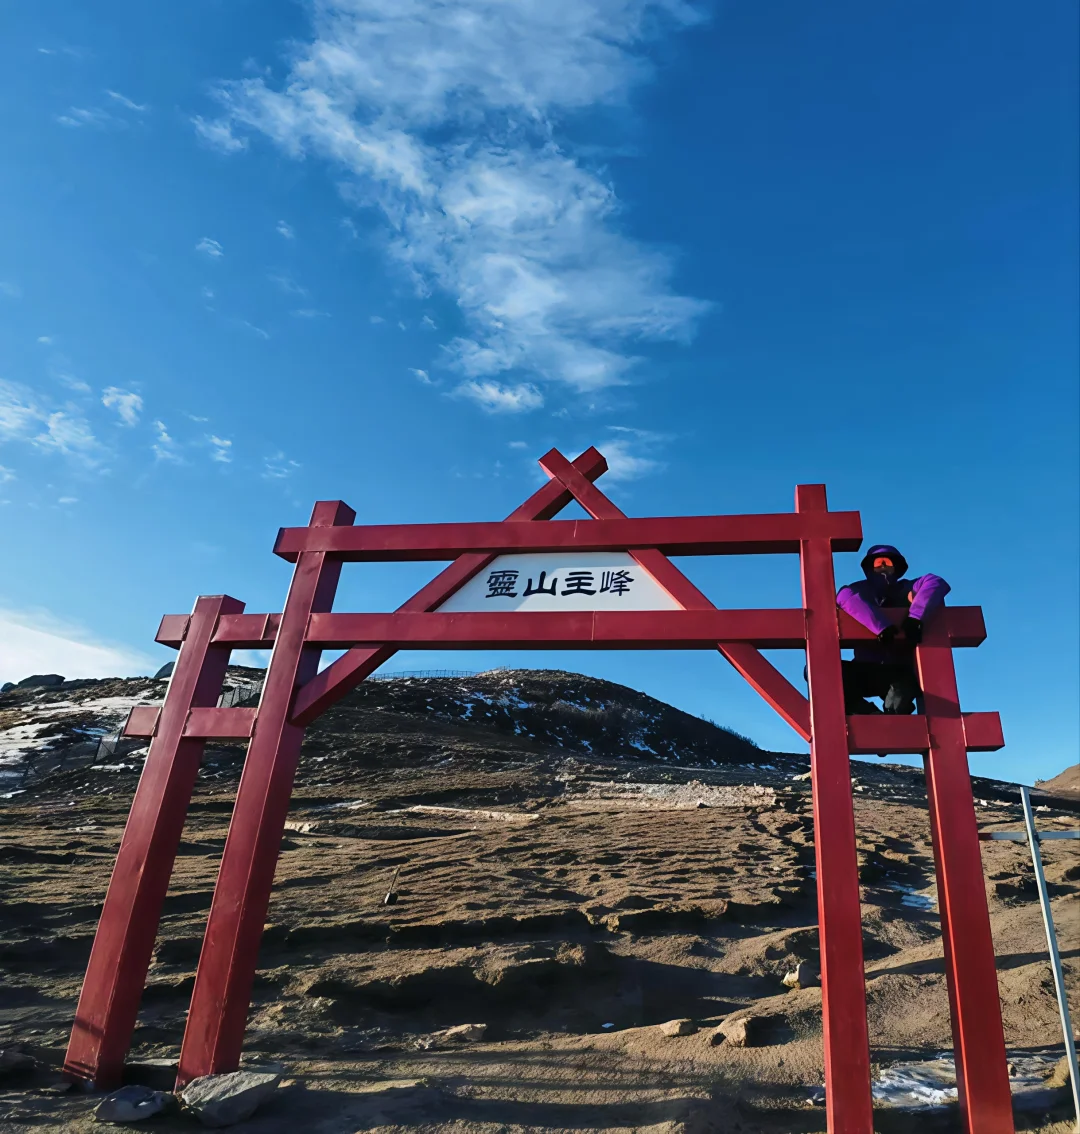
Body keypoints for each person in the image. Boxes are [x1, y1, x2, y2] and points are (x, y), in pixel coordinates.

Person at [835, 544, 950, 716]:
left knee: (900, 702)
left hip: (899, 672)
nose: (883, 566)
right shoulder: (859, 589)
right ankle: (869, 715)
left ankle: (893, 723)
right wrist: (881, 626)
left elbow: (935, 582)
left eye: (887, 562)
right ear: (869, 567)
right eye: (878, 562)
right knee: (818, 673)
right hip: (865, 669)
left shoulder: (907, 588)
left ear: (896, 566)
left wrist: (915, 617)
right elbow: (844, 597)